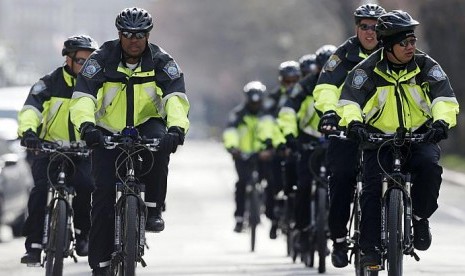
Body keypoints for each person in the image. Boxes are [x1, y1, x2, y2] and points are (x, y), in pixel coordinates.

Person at [68, 7, 190, 275]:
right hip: (106, 128)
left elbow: (175, 99)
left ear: (148, 35)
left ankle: (154, 207)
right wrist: (87, 127)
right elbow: (83, 98)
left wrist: (176, 129)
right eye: (127, 34)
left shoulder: (162, 61)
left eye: (140, 34)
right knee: (102, 199)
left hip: (148, 122)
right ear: (118, 34)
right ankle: (100, 263)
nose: (133, 40)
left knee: (161, 147)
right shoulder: (100, 60)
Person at [338, 9, 459, 267]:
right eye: (404, 43)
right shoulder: (367, 71)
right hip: (377, 139)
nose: (410, 47)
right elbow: (349, 101)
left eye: (413, 41)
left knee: (429, 167)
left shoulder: (426, 66)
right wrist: (354, 123)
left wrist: (440, 122)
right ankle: (369, 248)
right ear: (387, 46)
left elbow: (445, 99)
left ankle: (419, 217)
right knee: (370, 188)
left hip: (419, 136)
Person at [313, 3, 386, 268]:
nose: (370, 32)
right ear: (357, 28)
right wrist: (330, 114)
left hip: (380, 130)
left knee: (378, 184)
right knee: (341, 178)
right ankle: (340, 239)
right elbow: (326, 88)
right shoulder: (343, 55)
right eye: (364, 27)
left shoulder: (391, 51)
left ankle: (385, 235)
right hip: (346, 129)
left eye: (376, 27)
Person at [18, 35, 98, 265]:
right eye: (82, 61)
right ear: (69, 60)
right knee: (40, 190)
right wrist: (29, 133)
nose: (86, 66)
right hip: (49, 148)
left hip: (82, 150)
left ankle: (84, 235)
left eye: (89, 61)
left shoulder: (96, 84)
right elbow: (31, 109)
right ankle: (33, 245)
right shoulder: (49, 83)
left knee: (87, 187)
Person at [277, 44, 336, 254]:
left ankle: (334, 231)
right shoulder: (304, 85)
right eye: (323, 67)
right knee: (303, 186)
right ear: (317, 67)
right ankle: (302, 230)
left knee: (338, 186)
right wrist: (290, 135)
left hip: (334, 141)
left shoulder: (345, 83)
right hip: (306, 141)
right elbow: (288, 110)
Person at [223, 81, 284, 233]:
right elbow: (230, 132)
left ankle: (271, 217)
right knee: (242, 184)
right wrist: (233, 148)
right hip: (243, 155)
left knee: (270, 183)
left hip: (263, 155)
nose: (255, 105)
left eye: (258, 102)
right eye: (252, 102)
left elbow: (275, 132)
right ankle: (239, 218)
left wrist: (273, 148)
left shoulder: (268, 115)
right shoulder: (237, 114)